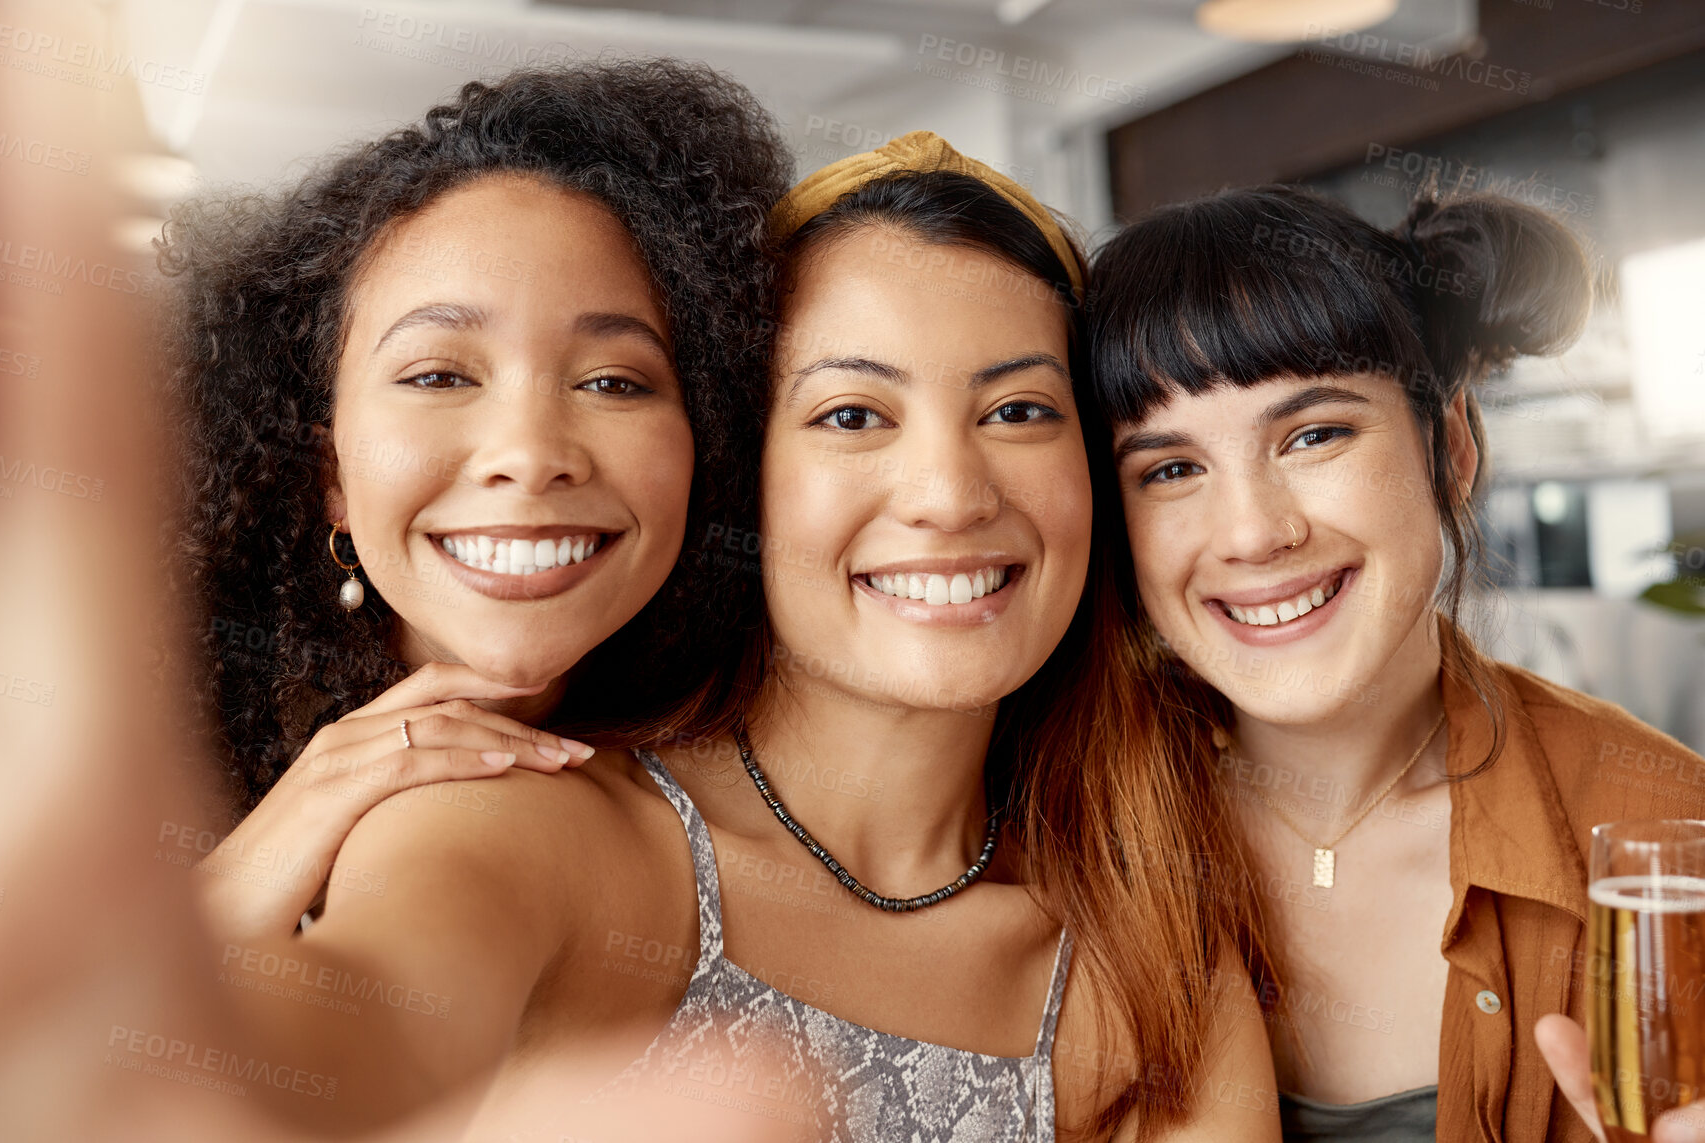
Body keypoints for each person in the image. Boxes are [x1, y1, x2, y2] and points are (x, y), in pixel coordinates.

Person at [247, 132, 1278, 1141]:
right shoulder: (541, 831)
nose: (950, 497)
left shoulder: (1148, 949)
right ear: (741, 472)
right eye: (850, 416)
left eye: (1017, 411)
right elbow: (351, 1033)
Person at [1085, 183, 1705, 1142]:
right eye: (1168, 469)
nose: (1252, 532)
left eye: (1314, 433)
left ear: (1448, 447)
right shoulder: (1049, 826)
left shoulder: (1666, 832)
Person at [160, 60, 790, 948]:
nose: (530, 458)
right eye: (439, 375)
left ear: (707, 448)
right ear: (327, 472)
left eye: (613, 381)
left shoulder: (752, 805)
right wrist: (261, 854)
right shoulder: (126, 764)